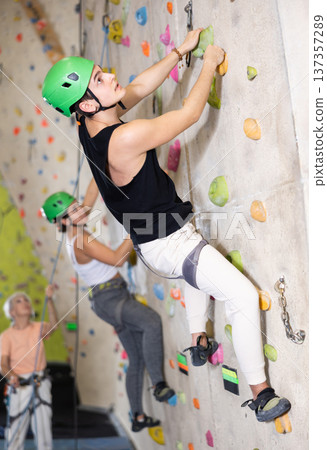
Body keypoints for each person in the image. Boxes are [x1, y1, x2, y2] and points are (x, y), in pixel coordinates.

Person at [42, 30, 291, 422]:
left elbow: (139, 85)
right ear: (87, 103)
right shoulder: (123, 137)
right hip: (168, 243)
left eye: (100, 72)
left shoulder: (87, 125)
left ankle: (197, 339)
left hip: (156, 241)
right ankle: (261, 394)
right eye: (98, 80)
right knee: (241, 295)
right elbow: (190, 115)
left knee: (201, 270)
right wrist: (208, 62)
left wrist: (179, 52)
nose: (108, 75)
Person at [40, 191, 176, 432]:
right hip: (110, 298)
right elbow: (116, 259)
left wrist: (96, 158)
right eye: (73, 210)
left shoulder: (76, 232)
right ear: (62, 221)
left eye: (77, 206)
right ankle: (158, 385)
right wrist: (136, 229)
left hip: (108, 299)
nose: (81, 209)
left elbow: (92, 192)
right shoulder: (80, 239)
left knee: (136, 358)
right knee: (151, 322)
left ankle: (137, 416)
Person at [0, 285, 57, 449]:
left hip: (40, 382)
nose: (25, 302)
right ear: (12, 312)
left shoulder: (38, 327)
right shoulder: (6, 336)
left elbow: (54, 325)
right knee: (15, 430)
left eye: (26, 300)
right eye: (19, 301)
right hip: (19, 385)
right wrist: (11, 376)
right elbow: (3, 364)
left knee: (44, 429)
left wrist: (49, 300)